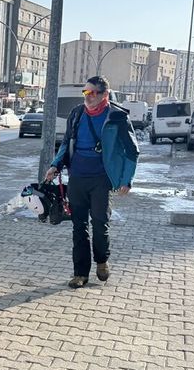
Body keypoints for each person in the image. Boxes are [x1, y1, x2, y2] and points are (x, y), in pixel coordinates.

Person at [45, 76, 139, 288]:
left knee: (99, 223)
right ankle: (80, 273)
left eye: (92, 92)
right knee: (78, 226)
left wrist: (126, 179)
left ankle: (102, 260)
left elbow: (132, 151)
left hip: (101, 179)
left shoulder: (117, 117)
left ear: (104, 94)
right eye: (85, 92)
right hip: (77, 176)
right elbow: (66, 143)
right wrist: (55, 165)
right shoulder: (77, 114)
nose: (87, 96)